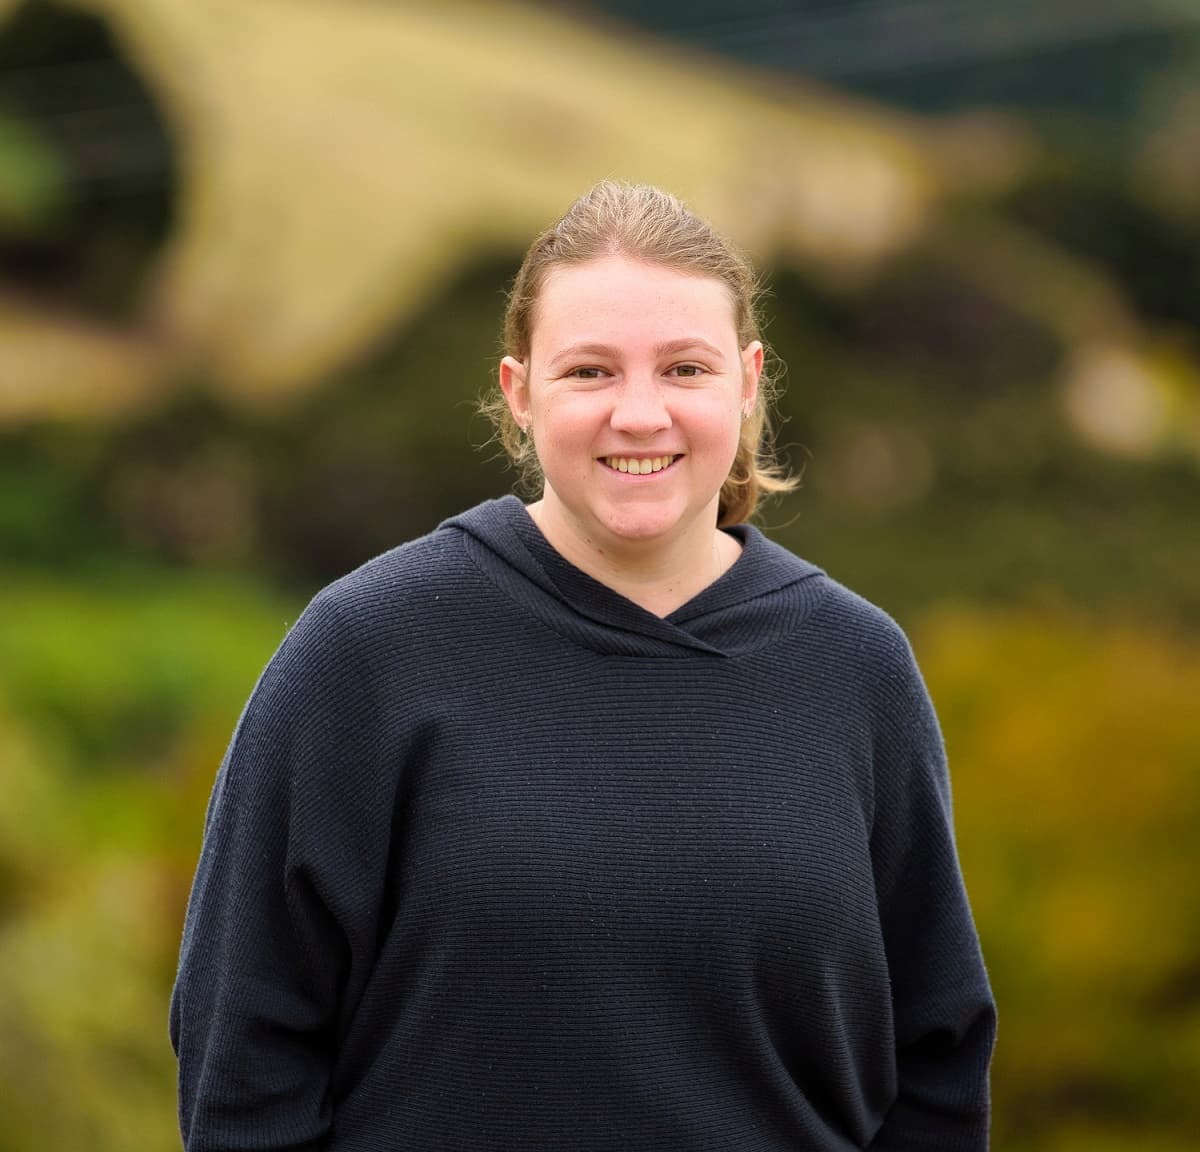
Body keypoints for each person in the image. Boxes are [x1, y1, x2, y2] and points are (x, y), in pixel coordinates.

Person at [170, 181, 996, 1150]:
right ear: (520, 394)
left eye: (684, 368)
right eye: (591, 372)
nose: (639, 414)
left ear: (748, 380)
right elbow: (245, 1045)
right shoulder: (367, 649)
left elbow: (937, 1054)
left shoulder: (857, 669)